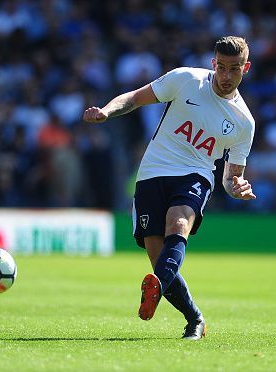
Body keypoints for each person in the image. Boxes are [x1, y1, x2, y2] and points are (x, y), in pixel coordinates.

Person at [83, 36, 257, 340]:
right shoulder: (186, 79)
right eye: (222, 68)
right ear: (214, 63)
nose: (227, 76)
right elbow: (135, 98)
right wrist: (107, 112)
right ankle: (195, 318)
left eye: (235, 69)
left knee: (178, 222)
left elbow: (230, 178)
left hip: (196, 174)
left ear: (246, 68)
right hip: (153, 172)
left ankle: (155, 288)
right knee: (158, 256)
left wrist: (237, 187)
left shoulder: (244, 122)